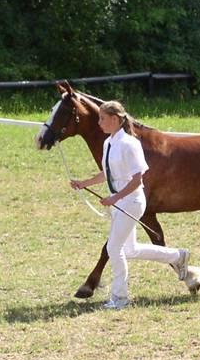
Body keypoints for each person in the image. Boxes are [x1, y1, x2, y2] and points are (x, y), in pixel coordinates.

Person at [70, 101, 190, 310]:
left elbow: (138, 179)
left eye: (102, 119)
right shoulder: (109, 143)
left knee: (113, 248)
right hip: (119, 202)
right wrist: (83, 183)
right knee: (130, 250)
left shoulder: (129, 144)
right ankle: (178, 256)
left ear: (115, 120)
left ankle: (120, 297)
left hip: (132, 201)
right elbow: (107, 173)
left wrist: (115, 198)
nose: (99, 123)